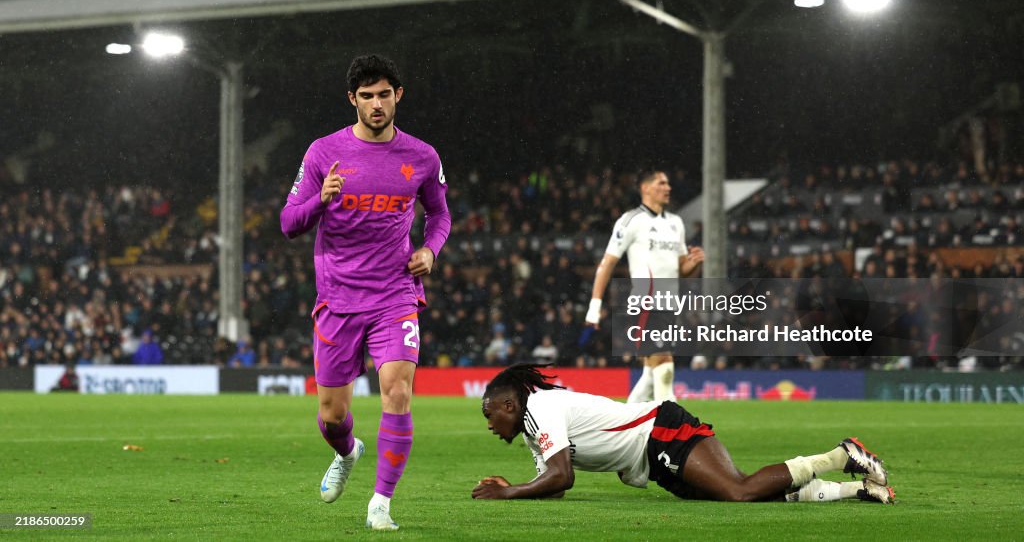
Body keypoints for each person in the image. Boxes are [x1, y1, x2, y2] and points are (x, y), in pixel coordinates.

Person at [280, 54, 451, 531]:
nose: (377, 104)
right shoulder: (322, 153)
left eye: (384, 94)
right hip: (337, 298)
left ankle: (381, 503)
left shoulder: (422, 156)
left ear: (399, 96)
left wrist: (431, 250)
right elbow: (289, 223)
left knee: (397, 390)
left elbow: (440, 214)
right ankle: (347, 451)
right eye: (367, 96)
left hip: (395, 294)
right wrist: (322, 200)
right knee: (332, 416)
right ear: (352, 100)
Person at [472, 364, 894, 505]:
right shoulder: (532, 429)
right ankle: (857, 492)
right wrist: (517, 486)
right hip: (650, 460)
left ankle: (842, 454)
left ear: (510, 405)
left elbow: (562, 476)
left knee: (738, 491)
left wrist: (508, 494)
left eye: (491, 415)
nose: (491, 425)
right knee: (744, 497)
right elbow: (555, 488)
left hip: (661, 431)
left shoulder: (542, 407)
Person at [585, 169, 704, 402]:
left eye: (668, 183)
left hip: (670, 304)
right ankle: (668, 427)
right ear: (645, 188)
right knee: (664, 364)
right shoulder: (631, 221)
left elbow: (683, 269)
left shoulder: (676, 223)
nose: (668, 188)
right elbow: (608, 263)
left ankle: (624, 425)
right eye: (661, 183)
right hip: (646, 301)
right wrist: (594, 304)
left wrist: (695, 263)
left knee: (652, 372)